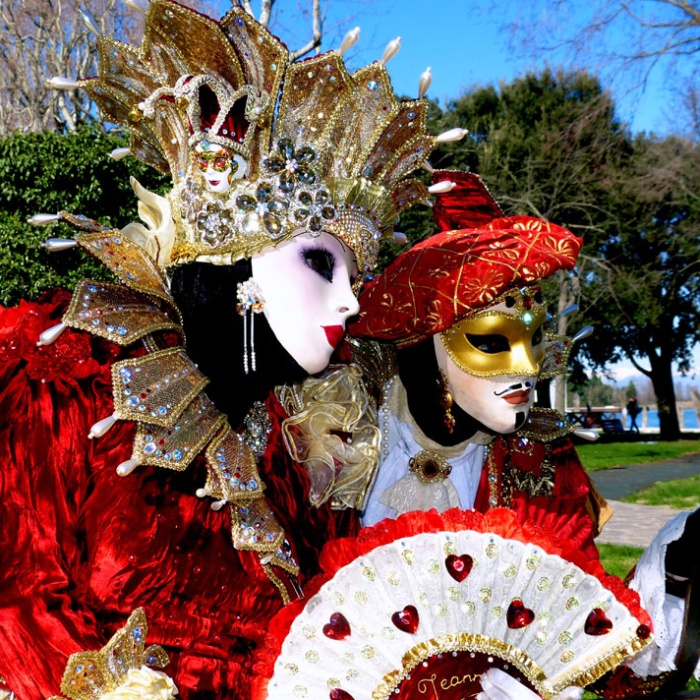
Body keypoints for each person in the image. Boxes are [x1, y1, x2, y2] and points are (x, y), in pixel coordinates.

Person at [0, 2, 455, 698]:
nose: (350, 302)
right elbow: (16, 600)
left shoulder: (288, 446)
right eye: (320, 265)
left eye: (355, 277)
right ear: (238, 265)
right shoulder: (66, 378)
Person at [348, 170, 700, 698]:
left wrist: (675, 564)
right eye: (492, 342)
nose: (527, 368)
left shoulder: (538, 462)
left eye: (532, 340)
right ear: (425, 344)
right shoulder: (337, 442)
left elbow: (593, 635)